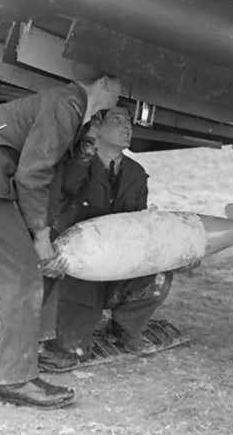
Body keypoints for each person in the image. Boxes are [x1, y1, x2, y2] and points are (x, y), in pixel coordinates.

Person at [0, 62, 121, 408]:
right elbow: (33, 174)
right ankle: (16, 380)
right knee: (20, 278)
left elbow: (49, 182)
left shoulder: (75, 113)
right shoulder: (67, 105)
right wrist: (39, 235)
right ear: (106, 81)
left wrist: (46, 234)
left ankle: (26, 363)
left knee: (28, 272)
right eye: (121, 85)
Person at [39, 105, 173, 369]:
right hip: (75, 269)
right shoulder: (75, 165)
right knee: (73, 352)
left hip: (116, 264)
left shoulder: (135, 173)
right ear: (97, 128)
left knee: (160, 276)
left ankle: (123, 328)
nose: (128, 127)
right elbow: (65, 191)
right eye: (118, 120)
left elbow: (137, 226)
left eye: (129, 122)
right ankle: (67, 333)